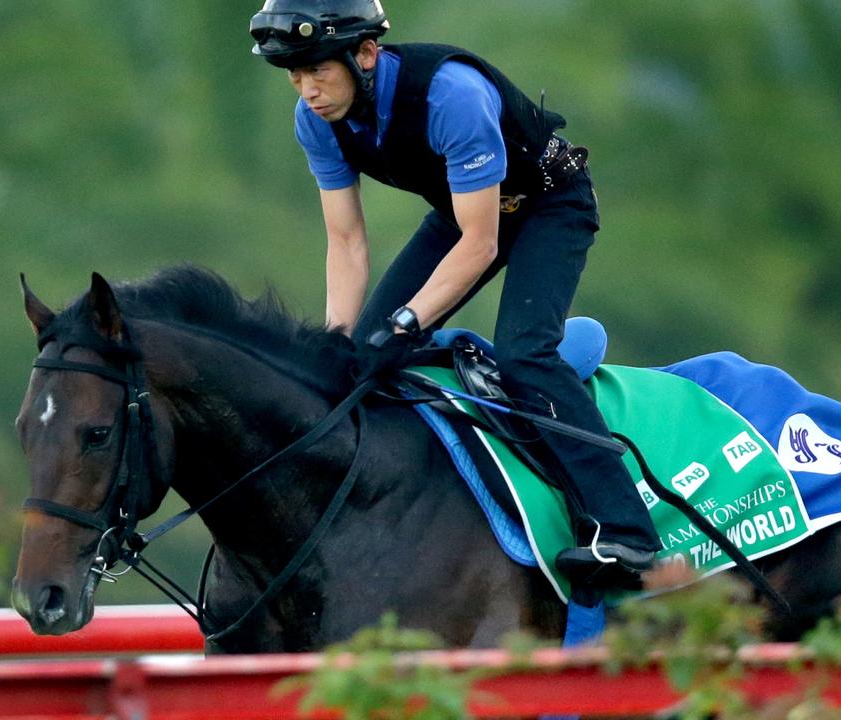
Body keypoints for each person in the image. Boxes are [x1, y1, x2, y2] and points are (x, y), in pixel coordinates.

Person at [249, 0, 661, 588]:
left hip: (547, 207)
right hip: (462, 211)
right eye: (294, 75)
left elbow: (481, 244)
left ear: (365, 54)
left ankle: (628, 533)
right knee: (360, 361)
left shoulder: (451, 95)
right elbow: (345, 243)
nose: (307, 89)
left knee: (525, 356)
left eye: (318, 69)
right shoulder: (314, 120)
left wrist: (409, 320)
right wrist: (339, 339)